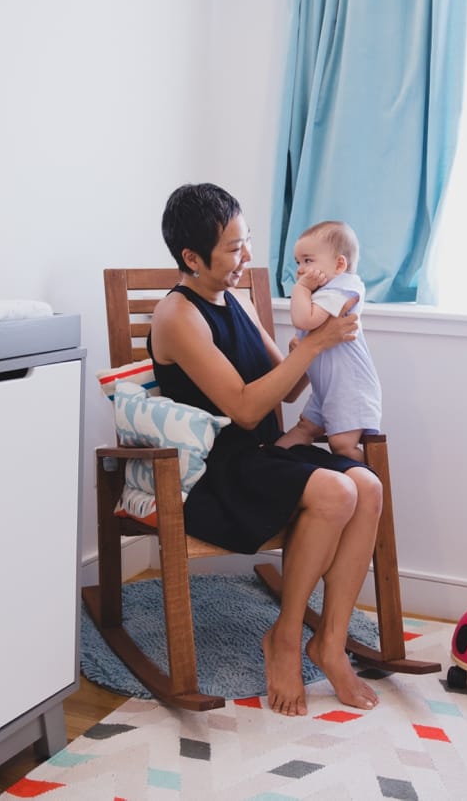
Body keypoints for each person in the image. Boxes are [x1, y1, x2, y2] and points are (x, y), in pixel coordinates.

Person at [148, 182, 383, 716]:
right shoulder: (176, 316)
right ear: (191, 257)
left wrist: (324, 345)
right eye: (233, 248)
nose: (247, 256)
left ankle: (327, 643)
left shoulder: (235, 300)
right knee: (335, 493)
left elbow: (287, 382)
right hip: (220, 471)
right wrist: (313, 347)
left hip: (263, 455)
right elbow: (246, 409)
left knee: (366, 486)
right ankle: (284, 636)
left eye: (246, 241)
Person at [274, 221, 381, 462]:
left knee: (342, 443)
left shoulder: (342, 289)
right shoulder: (324, 292)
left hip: (349, 388)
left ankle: (368, 472)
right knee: (304, 428)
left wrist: (300, 289)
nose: (300, 269)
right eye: (298, 262)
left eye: (308, 261)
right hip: (326, 388)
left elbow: (304, 320)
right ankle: (273, 456)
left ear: (339, 264)